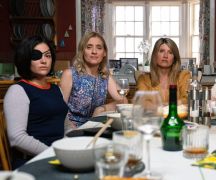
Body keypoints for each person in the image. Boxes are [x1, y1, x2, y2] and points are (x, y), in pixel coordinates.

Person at [3, 35, 68, 168]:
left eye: (48, 55)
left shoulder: (56, 89)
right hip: (33, 162)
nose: (44, 61)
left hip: (58, 157)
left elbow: (65, 125)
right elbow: (17, 138)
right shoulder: (17, 91)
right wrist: (52, 153)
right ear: (26, 59)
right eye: (36, 56)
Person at [60, 32, 126, 129]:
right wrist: (70, 127)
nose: (94, 51)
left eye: (99, 48)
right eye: (89, 47)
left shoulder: (105, 77)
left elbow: (123, 100)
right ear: (82, 51)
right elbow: (59, 109)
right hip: (72, 128)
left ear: (104, 53)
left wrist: (102, 108)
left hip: (96, 127)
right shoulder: (70, 74)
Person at [137, 38, 190, 105]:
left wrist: (166, 105)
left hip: (177, 115)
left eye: (170, 52)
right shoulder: (143, 79)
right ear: (155, 55)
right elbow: (143, 102)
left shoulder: (184, 76)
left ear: (174, 59)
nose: (165, 56)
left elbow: (187, 100)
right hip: (153, 115)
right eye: (161, 51)